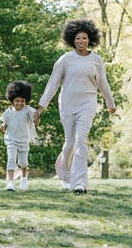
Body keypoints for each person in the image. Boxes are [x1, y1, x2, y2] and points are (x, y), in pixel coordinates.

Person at [34, 19, 116, 194]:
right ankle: (65, 173)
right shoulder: (65, 60)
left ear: (90, 39)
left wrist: (110, 103)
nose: (81, 41)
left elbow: (103, 83)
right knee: (70, 143)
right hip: (67, 104)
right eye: (78, 38)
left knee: (81, 140)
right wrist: (41, 107)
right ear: (72, 39)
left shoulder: (96, 60)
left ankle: (79, 183)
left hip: (88, 103)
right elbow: (52, 84)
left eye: (84, 38)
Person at [0, 80, 38, 191]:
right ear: (12, 100)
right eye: (17, 101)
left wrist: (36, 118)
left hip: (24, 141)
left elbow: (35, 119)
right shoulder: (8, 112)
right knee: (11, 160)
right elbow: (3, 121)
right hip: (11, 140)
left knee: (23, 163)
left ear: (26, 101)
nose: (20, 103)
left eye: (22, 101)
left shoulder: (28, 110)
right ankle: (10, 183)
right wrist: (3, 125)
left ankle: (24, 177)